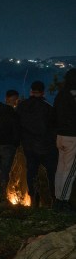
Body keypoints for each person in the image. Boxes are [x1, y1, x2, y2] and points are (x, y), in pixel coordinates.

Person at [16, 81, 57, 208]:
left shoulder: (22, 106)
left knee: (31, 172)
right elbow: (54, 127)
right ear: (43, 92)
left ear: (31, 91)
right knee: (52, 173)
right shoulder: (49, 107)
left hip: (29, 146)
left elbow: (17, 126)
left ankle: (33, 199)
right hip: (47, 147)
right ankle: (54, 199)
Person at [54, 68, 76, 212]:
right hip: (72, 136)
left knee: (60, 168)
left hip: (60, 136)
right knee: (70, 170)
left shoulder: (60, 94)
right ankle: (64, 201)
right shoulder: (73, 96)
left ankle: (57, 199)